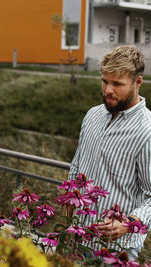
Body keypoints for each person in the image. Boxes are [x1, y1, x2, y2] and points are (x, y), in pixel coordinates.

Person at [68, 45, 151, 259]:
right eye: (105, 81)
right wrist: (70, 200)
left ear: (137, 82)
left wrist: (128, 223)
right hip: (78, 235)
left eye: (117, 84)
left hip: (117, 249)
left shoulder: (147, 131)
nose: (108, 90)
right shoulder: (92, 115)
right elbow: (77, 165)